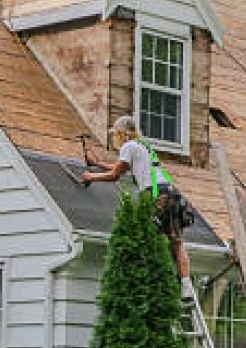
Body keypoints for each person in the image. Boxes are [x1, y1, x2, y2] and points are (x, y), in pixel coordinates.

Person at [79, 115, 192, 288]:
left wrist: (90, 176)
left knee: (144, 236)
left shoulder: (128, 146)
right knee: (177, 243)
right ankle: (186, 286)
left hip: (156, 197)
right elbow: (122, 168)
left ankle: (148, 280)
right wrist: (98, 164)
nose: (114, 139)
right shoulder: (143, 146)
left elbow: (115, 175)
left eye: (115, 135)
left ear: (121, 133)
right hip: (171, 194)